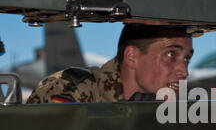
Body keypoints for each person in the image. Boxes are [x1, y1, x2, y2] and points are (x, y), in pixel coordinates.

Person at [26, 24, 194, 103]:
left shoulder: (158, 106)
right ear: (131, 57)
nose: (184, 72)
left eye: (187, 58)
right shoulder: (71, 89)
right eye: (170, 55)